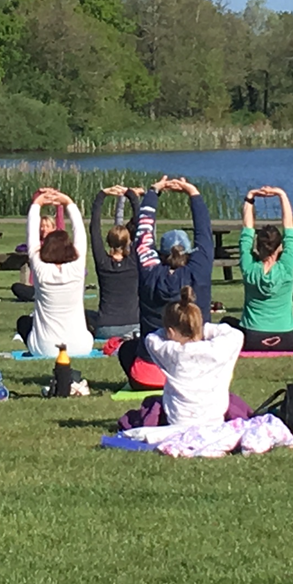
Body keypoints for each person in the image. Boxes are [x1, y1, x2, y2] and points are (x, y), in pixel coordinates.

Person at [123, 179, 213, 388]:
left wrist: (153, 192)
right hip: (193, 374)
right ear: (189, 253)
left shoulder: (150, 271)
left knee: (129, 349)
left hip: (147, 378)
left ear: (160, 254)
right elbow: (204, 234)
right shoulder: (198, 269)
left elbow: (143, 234)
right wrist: (193, 193)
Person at [121, 286, 249, 429]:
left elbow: (152, 338)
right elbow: (235, 334)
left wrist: (171, 331)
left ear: (169, 331)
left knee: (153, 404)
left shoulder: (170, 351)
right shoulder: (217, 349)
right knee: (233, 401)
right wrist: (201, 329)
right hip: (214, 419)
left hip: (178, 420)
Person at [16, 188, 93, 358]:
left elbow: (32, 235)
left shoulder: (40, 266)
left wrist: (37, 204)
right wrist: (68, 202)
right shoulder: (77, 265)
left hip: (44, 348)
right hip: (81, 346)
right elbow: (80, 231)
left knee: (23, 322)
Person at [236, 186, 293, 351]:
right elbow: (290, 230)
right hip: (287, 339)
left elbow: (247, 232)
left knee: (227, 323)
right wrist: (281, 194)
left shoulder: (249, 268)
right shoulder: (286, 267)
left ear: (258, 245)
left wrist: (250, 197)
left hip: (252, 338)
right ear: (279, 247)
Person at [88, 186, 142, 345]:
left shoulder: (103, 262)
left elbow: (94, 229)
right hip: (135, 325)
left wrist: (102, 195)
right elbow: (141, 226)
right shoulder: (134, 260)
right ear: (129, 241)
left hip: (106, 328)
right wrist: (131, 196)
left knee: (85, 314)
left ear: (108, 242)